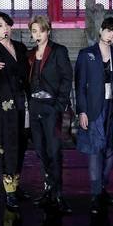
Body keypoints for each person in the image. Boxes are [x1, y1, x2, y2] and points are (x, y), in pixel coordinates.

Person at [75, 17, 113, 214]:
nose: (111, 36)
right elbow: (79, 85)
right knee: (95, 149)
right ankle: (95, 194)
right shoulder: (86, 54)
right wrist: (82, 110)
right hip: (94, 108)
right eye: (108, 31)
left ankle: (103, 188)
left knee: (111, 149)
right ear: (101, 30)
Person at [0, 12, 30, 209]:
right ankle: (9, 190)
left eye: (7, 25)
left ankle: (16, 185)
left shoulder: (20, 48)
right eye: (1, 26)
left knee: (21, 144)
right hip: (4, 108)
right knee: (6, 145)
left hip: (22, 104)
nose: (5, 29)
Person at [27, 15, 74, 214]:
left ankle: (58, 194)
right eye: (34, 31)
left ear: (48, 31)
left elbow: (67, 78)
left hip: (51, 107)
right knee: (40, 150)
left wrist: (59, 105)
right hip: (35, 107)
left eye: (41, 30)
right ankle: (48, 190)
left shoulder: (58, 51)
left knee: (54, 151)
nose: (38, 35)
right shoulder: (30, 54)